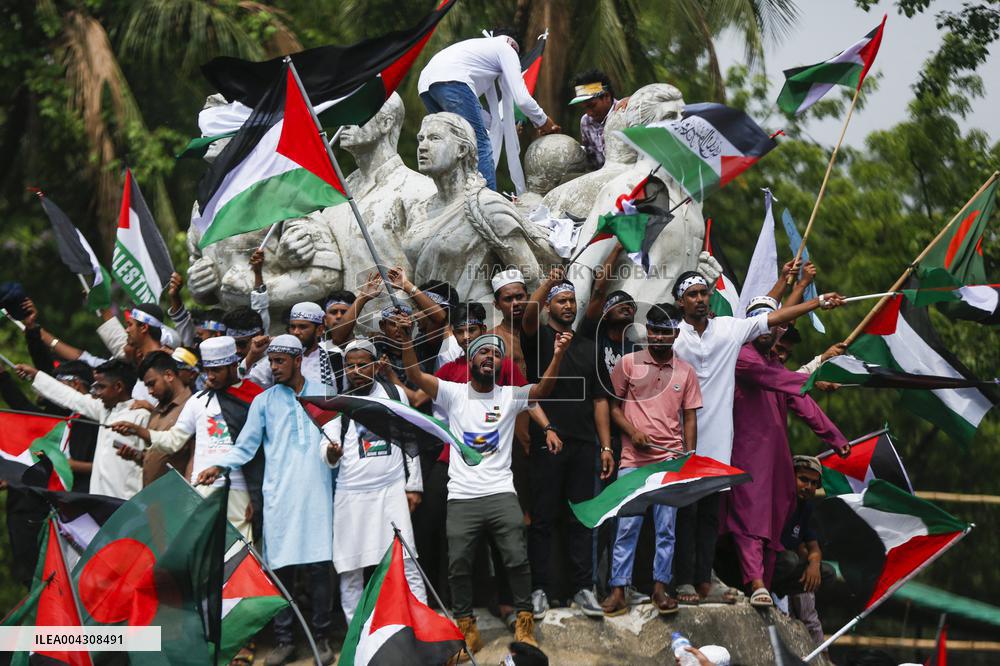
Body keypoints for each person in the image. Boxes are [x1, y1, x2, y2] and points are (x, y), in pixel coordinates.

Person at [669, 271, 845, 605]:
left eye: (704, 293)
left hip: (724, 452)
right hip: (689, 446)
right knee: (697, 517)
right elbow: (779, 356)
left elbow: (773, 318)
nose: (700, 299)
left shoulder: (727, 332)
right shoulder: (696, 342)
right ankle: (690, 582)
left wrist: (812, 297)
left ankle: (709, 581)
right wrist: (818, 365)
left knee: (714, 518)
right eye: (691, 294)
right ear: (680, 301)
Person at [400, 326, 573, 654]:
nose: (490, 358)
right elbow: (415, 376)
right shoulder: (453, 392)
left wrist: (558, 355)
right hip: (463, 495)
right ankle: (466, 630)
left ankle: (524, 625)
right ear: (470, 359)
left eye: (496, 354)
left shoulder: (508, 395)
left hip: (500, 492)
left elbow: (542, 391)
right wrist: (407, 340)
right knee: (459, 564)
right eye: (483, 352)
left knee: (517, 559)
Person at [196, 335, 334, 665]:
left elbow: (337, 438)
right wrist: (219, 466)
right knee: (279, 569)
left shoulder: (325, 393)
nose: (273, 368)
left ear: (298, 360)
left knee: (319, 568)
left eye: (280, 361)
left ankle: (322, 640)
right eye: (270, 361)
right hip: (279, 496)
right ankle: (285, 641)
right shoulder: (264, 401)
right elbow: (245, 446)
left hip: (317, 493)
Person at [724, 296, 849, 607]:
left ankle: (762, 586)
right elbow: (793, 384)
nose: (773, 330)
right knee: (751, 519)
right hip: (746, 454)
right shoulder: (744, 358)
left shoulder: (774, 363)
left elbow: (802, 402)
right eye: (766, 323)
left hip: (777, 458)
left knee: (776, 519)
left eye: (776, 324)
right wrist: (819, 371)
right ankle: (754, 584)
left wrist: (834, 437)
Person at [520, 270, 612, 618]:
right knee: (543, 519)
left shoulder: (588, 347)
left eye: (572, 300)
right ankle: (540, 589)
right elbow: (528, 313)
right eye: (562, 300)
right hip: (549, 439)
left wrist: (606, 446)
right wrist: (546, 284)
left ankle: (583, 589)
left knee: (581, 520)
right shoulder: (538, 338)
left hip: (585, 443)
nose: (569, 306)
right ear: (550, 306)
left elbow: (601, 400)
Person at [602, 303, 701, 617]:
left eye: (666, 331)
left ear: (675, 333)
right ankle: (619, 589)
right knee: (627, 525)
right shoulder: (629, 363)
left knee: (666, 529)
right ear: (647, 332)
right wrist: (632, 431)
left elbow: (689, 417)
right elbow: (613, 407)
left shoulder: (686, 371)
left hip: (669, 460)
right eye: (654, 330)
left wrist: (690, 457)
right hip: (633, 458)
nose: (659, 337)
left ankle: (660, 587)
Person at [323, 338, 425, 623]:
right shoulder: (337, 402)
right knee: (350, 568)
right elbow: (327, 448)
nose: (355, 371)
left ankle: (420, 623)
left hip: (391, 489)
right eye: (350, 366)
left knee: (406, 561)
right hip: (351, 495)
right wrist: (331, 452)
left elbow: (409, 440)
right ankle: (357, 634)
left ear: (376, 365)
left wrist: (413, 485)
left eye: (362, 364)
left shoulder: (394, 394)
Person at [112, 338, 257, 539]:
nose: (210, 377)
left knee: (238, 558)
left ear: (233, 366)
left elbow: (262, 452)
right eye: (208, 370)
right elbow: (174, 441)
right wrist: (139, 431)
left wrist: (257, 498)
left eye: (217, 370)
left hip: (240, 492)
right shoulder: (198, 401)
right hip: (202, 491)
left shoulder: (255, 396)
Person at [418, 30, 560, 191]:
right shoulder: (507, 49)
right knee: (481, 143)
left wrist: (506, 128)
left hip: (425, 86)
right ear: (514, 46)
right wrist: (543, 121)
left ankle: (451, 198)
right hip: (452, 81)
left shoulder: (480, 52)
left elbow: (475, 112)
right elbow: (522, 99)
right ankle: (488, 203)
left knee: (451, 144)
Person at [18, 359, 149, 499]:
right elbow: (71, 398)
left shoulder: (141, 416)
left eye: (101, 387)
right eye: (95, 386)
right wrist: (36, 375)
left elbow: (151, 462)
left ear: (118, 387)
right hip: (99, 502)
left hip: (129, 503)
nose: (97, 392)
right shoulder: (103, 410)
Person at [773, 455, 836, 645]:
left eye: (813, 483)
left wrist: (814, 564)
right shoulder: (775, 499)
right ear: (790, 476)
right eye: (803, 479)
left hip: (786, 572)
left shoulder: (805, 508)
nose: (808, 487)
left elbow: (813, 548)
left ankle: (820, 652)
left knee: (826, 573)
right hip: (763, 566)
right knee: (791, 559)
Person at [113, 351, 193, 486]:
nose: (150, 391)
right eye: (147, 386)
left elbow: (176, 446)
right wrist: (136, 456)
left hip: (178, 496)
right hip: (153, 496)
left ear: (169, 375)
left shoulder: (192, 406)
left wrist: (138, 430)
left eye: (152, 384)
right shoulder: (156, 410)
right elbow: (157, 458)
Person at [245, 301, 343, 396]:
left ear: (319, 330)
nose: (296, 332)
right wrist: (252, 355)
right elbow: (245, 383)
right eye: (293, 327)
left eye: (302, 327)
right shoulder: (277, 358)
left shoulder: (334, 357)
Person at [568, 69, 619, 169]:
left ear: (607, 97)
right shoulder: (585, 122)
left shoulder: (625, 112)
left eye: (592, 106)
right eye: (585, 108)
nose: (589, 113)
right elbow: (592, 160)